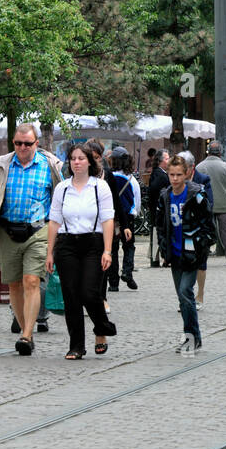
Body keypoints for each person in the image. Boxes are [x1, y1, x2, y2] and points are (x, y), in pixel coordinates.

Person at [0, 123, 62, 356]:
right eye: (18, 143)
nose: (23, 147)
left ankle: (26, 334)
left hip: (38, 231)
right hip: (7, 232)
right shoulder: (2, 165)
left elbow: (59, 199)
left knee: (31, 281)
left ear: (37, 143)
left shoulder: (49, 166)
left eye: (27, 143)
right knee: (14, 284)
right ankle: (26, 329)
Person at [46, 144, 117, 360]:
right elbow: (54, 221)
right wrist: (50, 252)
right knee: (71, 295)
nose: (76, 162)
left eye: (81, 158)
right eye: (73, 159)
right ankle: (76, 345)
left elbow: (107, 219)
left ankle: (102, 325)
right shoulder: (62, 188)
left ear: (89, 162)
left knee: (89, 291)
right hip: (67, 244)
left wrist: (107, 250)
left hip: (93, 243)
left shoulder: (99, 187)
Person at [154, 155, 215, 354]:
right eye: (171, 174)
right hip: (175, 252)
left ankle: (191, 337)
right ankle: (194, 337)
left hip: (193, 251)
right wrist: (164, 247)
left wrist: (202, 244)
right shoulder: (165, 196)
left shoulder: (196, 194)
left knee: (185, 292)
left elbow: (208, 223)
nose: (175, 179)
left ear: (187, 173)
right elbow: (161, 224)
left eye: (179, 175)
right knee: (182, 297)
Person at [196, 142, 226, 266]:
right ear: (220, 152)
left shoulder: (199, 167)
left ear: (208, 151)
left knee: (203, 231)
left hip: (205, 205)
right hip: (224, 203)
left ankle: (201, 257)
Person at [179, 151, 214, 304]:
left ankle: (200, 295)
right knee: (183, 263)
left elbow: (209, 203)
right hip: (182, 228)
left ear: (191, 168)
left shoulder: (203, 180)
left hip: (199, 228)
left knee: (200, 263)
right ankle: (186, 297)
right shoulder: (175, 180)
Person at [106, 149, 139, 290]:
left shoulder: (108, 178)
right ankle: (127, 272)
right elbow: (136, 201)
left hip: (112, 218)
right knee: (129, 246)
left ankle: (113, 283)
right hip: (128, 216)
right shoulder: (132, 180)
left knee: (112, 249)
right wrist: (133, 213)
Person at [145, 149, 171, 267]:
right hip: (158, 209)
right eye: (166, 158)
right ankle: (156, 259)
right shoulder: (160, 175)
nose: (169, 160)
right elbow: (154, 190)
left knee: (156, 233)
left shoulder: (159, 173)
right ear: (161, 161)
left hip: (156, 209)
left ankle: (155, 258)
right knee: (157, 233)